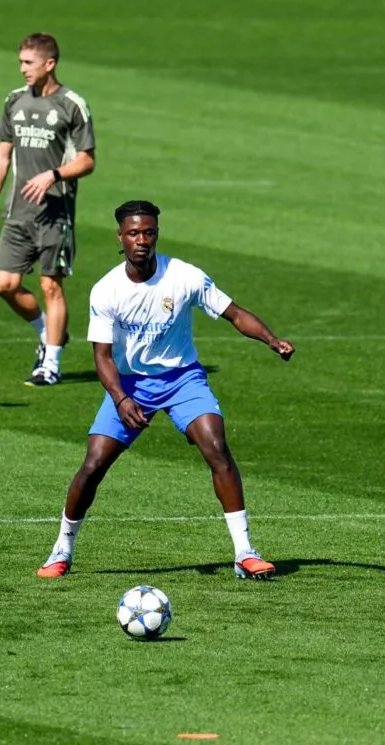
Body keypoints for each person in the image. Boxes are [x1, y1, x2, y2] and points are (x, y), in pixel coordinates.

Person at [36, 200, 292, 579]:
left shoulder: (183, 276)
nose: (142, 240)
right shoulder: (106, 290)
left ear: (157, 233)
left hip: (183, 379)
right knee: (93, 466)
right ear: (120, 237)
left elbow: (234, 313)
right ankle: (62, 549)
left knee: (217, 447)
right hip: (129, 384)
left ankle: (245, 553)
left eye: (149, 232)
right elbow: (102, 357)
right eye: (134, 233)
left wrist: (271, 340)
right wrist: (120, 398)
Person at [0, 32, 96, 387]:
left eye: (28, 63)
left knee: (50, 286)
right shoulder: (14, 101)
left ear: (50, 64)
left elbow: (88, 161)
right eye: (20, 62)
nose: (22, 69)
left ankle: (51, 365)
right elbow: (3, 153)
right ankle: (48, 332)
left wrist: (54, 174)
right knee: (4, 284)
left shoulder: (71, 105)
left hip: (55, 213)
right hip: (18, 212)